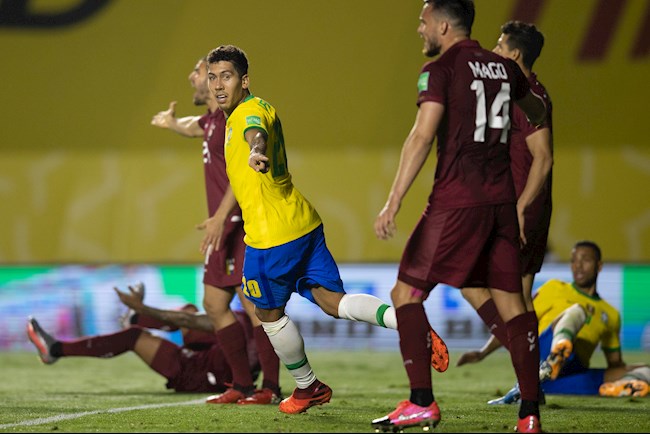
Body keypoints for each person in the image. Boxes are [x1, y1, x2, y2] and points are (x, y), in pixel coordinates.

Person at [204, 44, 420, 415]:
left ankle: (307, 387)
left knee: (266, 313)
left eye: (226, 76)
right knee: (333, 303)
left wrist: (257, 151)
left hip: (271, 237)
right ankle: (410, 323)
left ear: (244, 80)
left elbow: (255, 134)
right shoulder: (254, 108)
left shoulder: (247, 114)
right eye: (213, 77)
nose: (218, 85)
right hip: (303, 224)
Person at [372, 1, 547, 432]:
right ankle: (529, 415)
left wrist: (393, 200)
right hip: (500, 204)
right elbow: (538, 111)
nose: (419, 29)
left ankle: (421, 402)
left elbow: (421, 135)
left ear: (444, 25)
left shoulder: (441, 69)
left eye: (423, 21)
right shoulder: (504, 68)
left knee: (405, 295)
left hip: (455, 202)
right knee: (512, 303)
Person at [151, 57, 281, 404]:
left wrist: (223, 218)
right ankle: (241, 384)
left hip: (239, 223)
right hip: (222, 225)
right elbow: (195, 125)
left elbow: (240, 176)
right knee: (213, 302)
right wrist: (173, 123)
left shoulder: (232, 121)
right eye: (206, 74)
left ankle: (270, 386)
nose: (195, 78)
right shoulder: (211, 122)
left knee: (253, 304)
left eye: (202, 74)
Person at [458, 19, 553, 396]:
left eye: (499, 47)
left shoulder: (525, 94)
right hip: (525, 207)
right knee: (522, 299)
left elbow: (543, 158)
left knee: (470, 282)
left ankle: (530, 368)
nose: (494, 53)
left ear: (514, 54)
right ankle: (530, 383)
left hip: (518, 209)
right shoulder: (525, 91)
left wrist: (519, 209)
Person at [458, 241, 650, 403]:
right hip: (541, 355)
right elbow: (516, 322)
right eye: (574, 260)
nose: (578, 266)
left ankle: (618, 387)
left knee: (646, 370)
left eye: (586, 260)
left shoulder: (611, 314)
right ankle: (556, 355)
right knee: (577, 311)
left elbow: (615, 363)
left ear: (599, 266)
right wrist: (483, 353)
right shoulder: (554, 288)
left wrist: (630, 369)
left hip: (568, 375)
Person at [26, 283, 263, 395]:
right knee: (190, 311)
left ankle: (55, 349)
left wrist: (144, 309)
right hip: (218, 358)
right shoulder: (257, 317)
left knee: (134, 336)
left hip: (203, 374)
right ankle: (135, 317)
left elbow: (189, 323)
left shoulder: (242, 319)